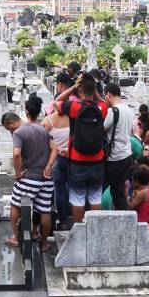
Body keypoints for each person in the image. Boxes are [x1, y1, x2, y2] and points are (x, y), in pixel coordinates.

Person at [55, 76, 109, 224]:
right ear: (94, 90)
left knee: (77, 197)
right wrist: (95, 90)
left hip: (77, 160)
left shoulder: (75, 107)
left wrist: (73, 87)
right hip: (97, 160)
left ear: (80, 89)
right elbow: (104, 102)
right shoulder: (101, 109)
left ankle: (78, 229)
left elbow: (57, 102)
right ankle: (94, 229)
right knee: (95, 196)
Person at [1, 105, 56, 250]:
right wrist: (49, 166)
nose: (10, 132)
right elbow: (54, 149)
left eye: (8, 129)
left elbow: (17, 154)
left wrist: (18, 173)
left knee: (15, 206)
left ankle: (15, 238)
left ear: (11, 123)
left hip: (28, 178)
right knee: (44, 210)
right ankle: (43, 243)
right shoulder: (42, 129)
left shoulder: (19, 133)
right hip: (46, 179)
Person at [42, 82, 73, 230]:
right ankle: (72, 214)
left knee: (59, 189)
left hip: (55, 159)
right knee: (72, 187)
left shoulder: (47, 121)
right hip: (73, 157)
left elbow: (42, 141)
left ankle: (63, 219)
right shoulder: (72, 119)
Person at [103, 82, 136, 211]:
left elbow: (103, 128)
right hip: (127, 155)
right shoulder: (128, 109)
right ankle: (123, 218)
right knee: (118, 192)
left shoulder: (113, 111)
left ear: (109, 95)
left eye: (105, 96)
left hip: (114, 157)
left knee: (98, 189)